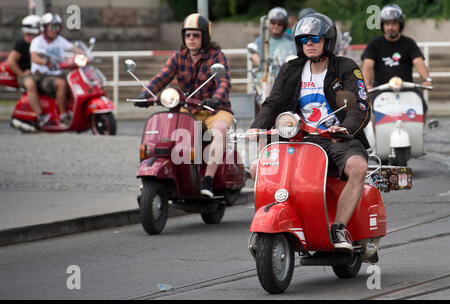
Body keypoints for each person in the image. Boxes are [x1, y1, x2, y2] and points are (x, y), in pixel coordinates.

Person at [247, 13, 371, 252]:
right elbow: (273, 102)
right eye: (304, 40)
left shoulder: (345, 68)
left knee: (358, 167)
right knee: (257, 168)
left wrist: (345, 128)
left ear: (328, 41)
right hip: (298, 138)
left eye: (315, 38)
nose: (309, 44)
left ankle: (339, 227)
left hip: (336, 138)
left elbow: (360, 106)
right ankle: (275, 222)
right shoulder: (291, 69)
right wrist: (258, 125)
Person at [134, 13, 234, 198]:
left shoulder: (217, 57)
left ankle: (207, 180)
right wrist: (144, 94)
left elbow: (224, 83)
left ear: (204, 36)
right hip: (189, 110)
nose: (191, 39)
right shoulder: (178, 57)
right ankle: (156, 178)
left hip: (216, 110)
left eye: (196, 35)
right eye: (187, 35)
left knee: (219, 132)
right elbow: (161, 77)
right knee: (165, 132)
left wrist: (215, 99)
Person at [361, 4, 432, 114]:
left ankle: (421, 131)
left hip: (406, 88)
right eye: (387, 24)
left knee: (422, 107)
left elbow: (418, 61)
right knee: (372, 112)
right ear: (382, 25)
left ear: (400, 25)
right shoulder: (374, 43)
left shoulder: (409, 43)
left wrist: (426, 79)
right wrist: (367, 85)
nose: (390, 27)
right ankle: (375, 131)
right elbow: (368, 64)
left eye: (394, 23)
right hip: (381, 89)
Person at [30, 13, 76, 125]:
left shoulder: (59, 40)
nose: (54, 30)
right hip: (42, 74)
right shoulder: (38, 41)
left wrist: (86, 54)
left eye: (57, 27)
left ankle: (74, 110)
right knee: (61, 84)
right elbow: (34, 57)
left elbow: (73, 48)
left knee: (75, 79)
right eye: (51, 27)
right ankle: (63, 115)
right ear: (44, 28)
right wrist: (45, 62)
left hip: (58, 72)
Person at [7, 15, 50, 128]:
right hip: (26, 75)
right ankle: (40, 115)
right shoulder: (22, 44)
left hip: (39, 73)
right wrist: (21, 73)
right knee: (31, 85)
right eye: (40, 27)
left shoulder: (41, 42)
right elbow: (11, 61)